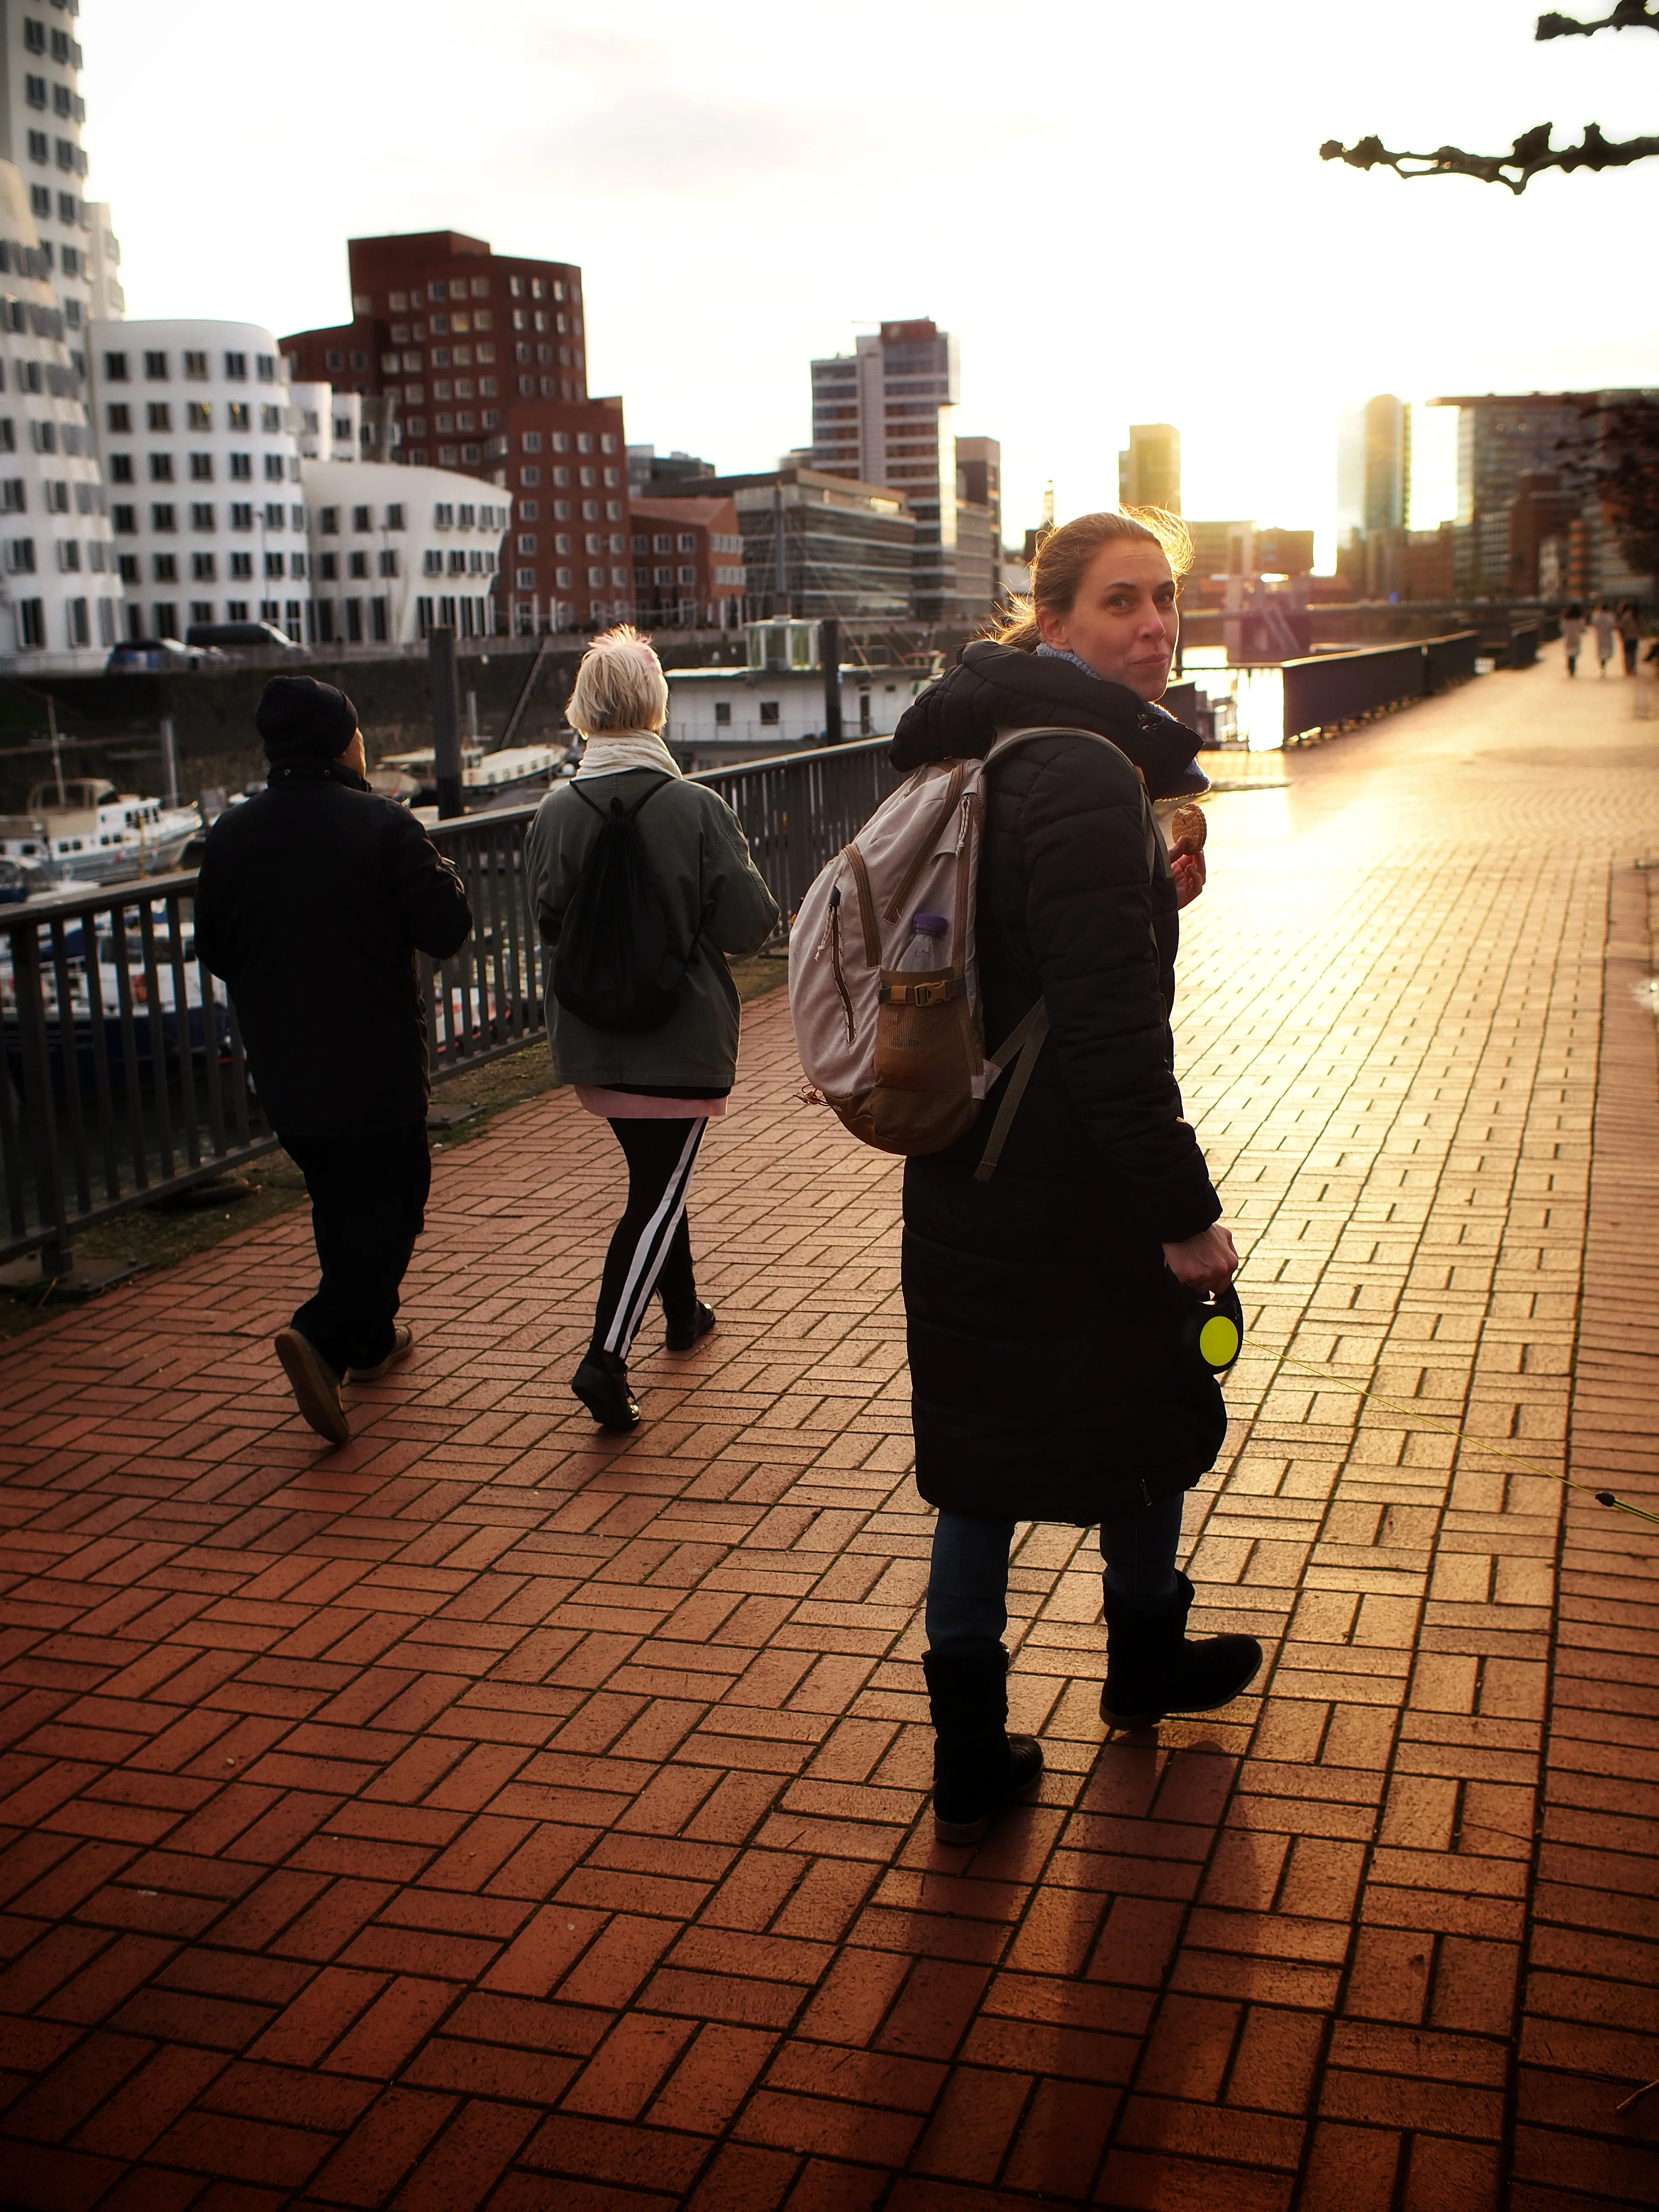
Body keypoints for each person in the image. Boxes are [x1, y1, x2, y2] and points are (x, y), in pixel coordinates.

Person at [890, 509, 1261, 1843]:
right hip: (1072, 1181)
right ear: (1051, 621)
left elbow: (1030, 958)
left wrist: (1150, 896)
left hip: (968, 1161)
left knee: (982, 1458)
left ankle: (974, 1748)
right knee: (1148, 1408)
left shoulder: (983, 744)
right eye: (1121, 603)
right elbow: (1111, 1039)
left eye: (1166, 600)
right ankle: (1139, 1660)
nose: (1155, 625)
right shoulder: (1090, 773)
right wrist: (1185, 1216)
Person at [195, 676, 472, 1447]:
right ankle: (321, 1335)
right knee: (395, 1199)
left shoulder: (230, 834)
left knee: (336, 1199)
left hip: (283, 1065)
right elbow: (446, 925)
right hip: (375, 1059)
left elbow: (215, 950)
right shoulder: (383, 824)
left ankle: (373, 1341)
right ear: (345, 742)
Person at [525, 628, 778, 1432]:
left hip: (595, 1037)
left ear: (584, 709)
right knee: (657, 1192)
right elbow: (748, 927)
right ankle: (604, 1355)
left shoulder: (554, 811)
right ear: (655, 705)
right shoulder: (695, 807)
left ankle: (685, 1309)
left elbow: (547, 920)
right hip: (680, 1039)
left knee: (655, 1177)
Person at [1591, 601, 1617, 677]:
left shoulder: (1596, 616)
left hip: (1600, 635)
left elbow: (1594, 624)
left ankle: (1601, 666)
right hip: (1607, 635)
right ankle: (1603, 666)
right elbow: (1613, 625)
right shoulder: (1610, 616)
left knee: (1600, 650)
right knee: (1606, 650)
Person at [1617, 601, 1643, 677]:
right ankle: (1633, 668)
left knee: (1627, 654)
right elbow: (1641, 628)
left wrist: (1622, 636)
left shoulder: (1626, 616)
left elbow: (1621, 627)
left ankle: (1628, 668)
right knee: (1634, 653)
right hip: (1635, 638)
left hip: (1627, 638)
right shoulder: (1638, 617)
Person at [1562, 604, 1585, 676]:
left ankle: (1569, 666)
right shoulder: (1579, 620)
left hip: (1568, 637)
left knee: (1569, 653)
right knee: (1574, 653)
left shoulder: (1566, 620)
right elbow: (1582, 628)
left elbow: (1562, 628)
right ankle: (1573, 668)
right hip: (1576, 637)